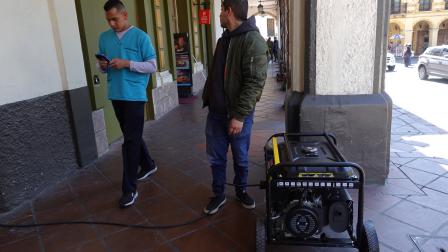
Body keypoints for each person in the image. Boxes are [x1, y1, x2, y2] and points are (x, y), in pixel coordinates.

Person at [202, 0, 268, 215]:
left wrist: (239, 116)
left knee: (240, 157)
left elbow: (254, 82)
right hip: (216, 113)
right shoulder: (224, 40)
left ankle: (241, 191)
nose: (219, 14)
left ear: (229, 11)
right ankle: (219, 194)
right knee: (216, 158)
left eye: (221, 9)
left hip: (237, 115)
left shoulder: (253, 40)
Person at [97, 0, 158, 208]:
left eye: (115, 19)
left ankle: (129, 189)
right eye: (108, 20)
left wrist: (126, 63)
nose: (111, 24)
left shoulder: (141, 37)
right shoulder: (104, 38)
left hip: (134, 95)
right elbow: (103, 69)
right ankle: (148, 164)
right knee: (132, 136)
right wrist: (104, 66)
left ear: (125, 15)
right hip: (116, 93)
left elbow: (152, 66)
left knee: (129, 142)